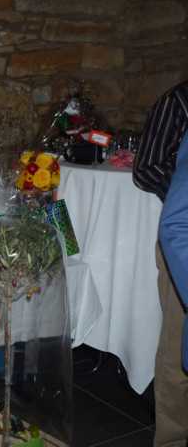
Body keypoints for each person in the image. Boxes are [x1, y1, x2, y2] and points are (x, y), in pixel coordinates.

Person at [133, 80, 188, 447]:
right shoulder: (179, 100)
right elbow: (147, 168)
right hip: (183, 244)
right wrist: (182, 193)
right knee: (176, 351)